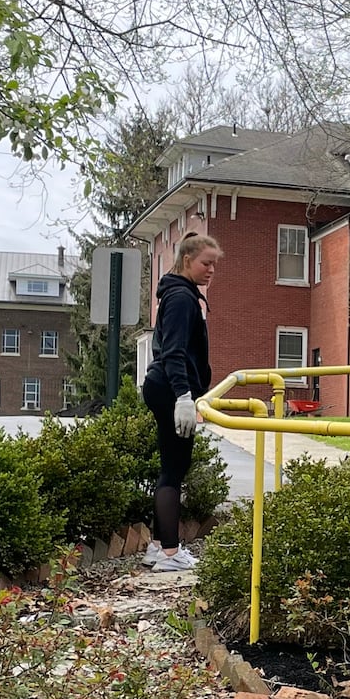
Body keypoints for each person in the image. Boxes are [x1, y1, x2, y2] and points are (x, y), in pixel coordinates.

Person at [140, 232, 219, 572]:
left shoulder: (180, 295)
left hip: (168, 388)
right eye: (206, 263)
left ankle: (158, 546)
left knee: (172, 467)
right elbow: (173, 352)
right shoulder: (181, 299)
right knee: (174, 469)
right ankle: (170, 553)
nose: (211, 270)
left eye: (214, 264)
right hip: (171, 390)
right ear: (187, 260)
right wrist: (184, 397)